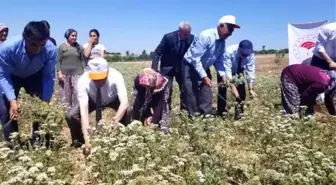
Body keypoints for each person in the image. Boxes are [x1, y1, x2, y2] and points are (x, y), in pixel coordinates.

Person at [0, 21, 57, 143]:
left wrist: (46, 101)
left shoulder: (51, 49)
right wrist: (12, 100)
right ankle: (13, 145)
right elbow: (2, 75)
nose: (37, 49)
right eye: (33, 44)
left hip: (34, 75)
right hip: (12, 75)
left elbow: (49, 75)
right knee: (6, 109)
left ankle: (39, 142)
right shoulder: (7, 48)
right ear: (24, 37)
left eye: (42, 45)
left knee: (41, 109)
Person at [65, 58, 132, 149]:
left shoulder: (116, 75)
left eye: (101, 78)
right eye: (95, 79)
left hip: (113, 99)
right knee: (71, 115)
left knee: (129, 110)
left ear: (107, 72)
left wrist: (115, 122)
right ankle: (79, 141)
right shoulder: (83, 80)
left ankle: (125, 138)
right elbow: (83, 111)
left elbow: (124, 102)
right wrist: (87, 138)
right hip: (92, 100)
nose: (98, 82)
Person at [183, 15, 240, 117]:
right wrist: (204, 77)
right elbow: (195, 59)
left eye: (232, 30)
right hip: (190, 67)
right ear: (221, 26)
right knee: (192, 95)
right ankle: (194, 120)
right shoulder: (206, 36)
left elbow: (218, 61)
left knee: (206, 95)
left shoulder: (222, 42)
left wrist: (223, 75)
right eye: (230, 29)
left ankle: (206, 119)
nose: (231, 33)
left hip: (204, 67)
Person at [151, 21, 194, 111]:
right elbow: (157, 52)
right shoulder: (168, 37)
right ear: (179, 31)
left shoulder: (192, 38)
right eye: (185, 34)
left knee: (184, 90)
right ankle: (166, 112)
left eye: (188, 33)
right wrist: (154, 69)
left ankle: (184, 112)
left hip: (182, 68)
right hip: (167, 68)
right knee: (167, 90)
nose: (187, 36)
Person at [223, 40, 257, 120]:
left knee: (241, 95)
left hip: (239, 72)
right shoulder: (230, 51)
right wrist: (233, 87)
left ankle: (239, 117)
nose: (245, 56)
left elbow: (250, 71)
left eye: (247, 54)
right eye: (243, 54)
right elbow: (227, 70)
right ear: (239, 49)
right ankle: (222, 114)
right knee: (223, 91)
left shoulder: (251, 54)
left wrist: (250, 89)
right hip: (225, 71)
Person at [132, 68, 170, 134]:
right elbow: (141, 100)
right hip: (143, 93)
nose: (147, 88)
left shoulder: (162, 84)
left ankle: (161, 131)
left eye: (149, 87)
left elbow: (160, 105)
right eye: (145, 86)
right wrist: (148, 114)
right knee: (138, 107)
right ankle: (138, 128)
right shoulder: (139, 81)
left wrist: (153, 122)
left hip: (158, 93)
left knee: (162, 112)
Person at [57, 29, 86, 110]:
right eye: (72, 35)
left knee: (77, 92)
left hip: (77, 74)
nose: (75, 37)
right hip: (64, 74)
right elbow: (58, 61)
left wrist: (85, 70)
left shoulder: (79, 47)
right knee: (65, 94)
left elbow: (82, 60)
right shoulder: (62, 47)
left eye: (75, 36)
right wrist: (59, 72)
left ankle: (77, 111)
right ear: (67, 36)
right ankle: (66, 112)